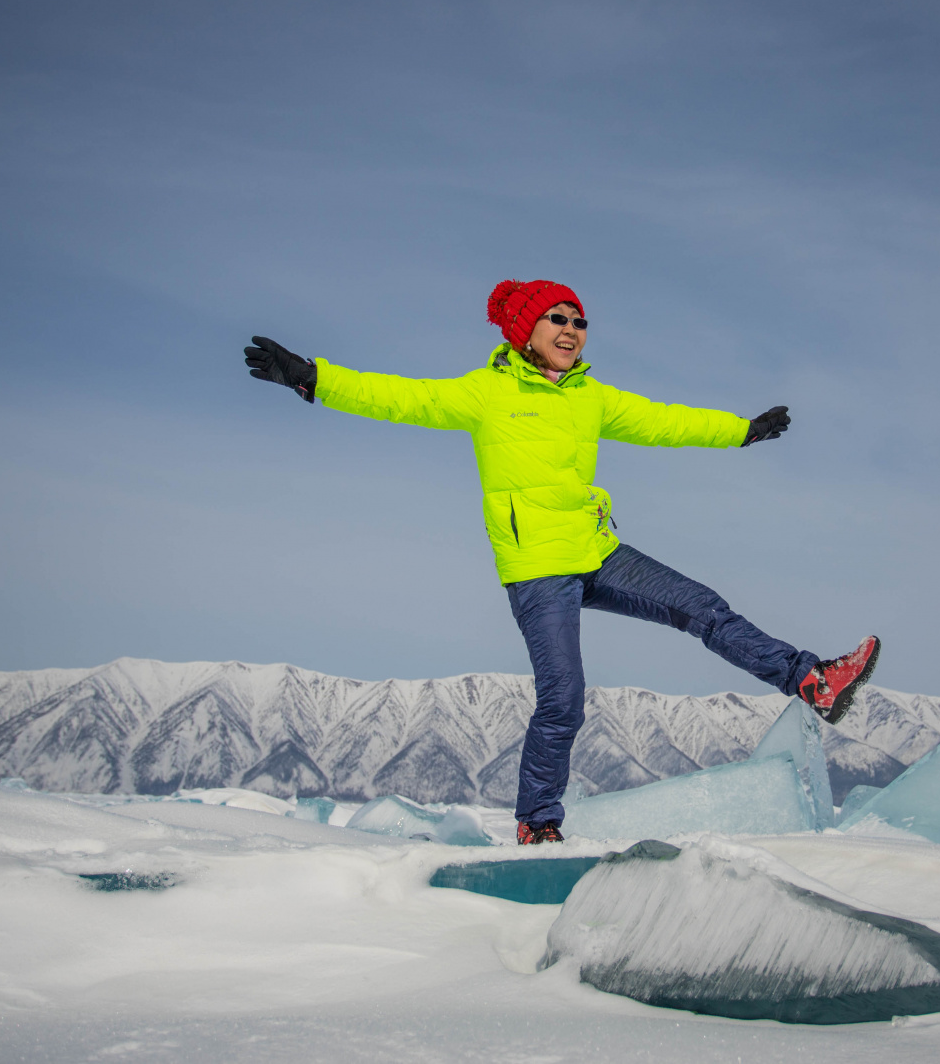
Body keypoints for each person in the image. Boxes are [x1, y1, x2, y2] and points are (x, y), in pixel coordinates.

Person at [244, 279, 880, 844]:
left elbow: (664, 422)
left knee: (703, 608)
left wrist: (740, 429)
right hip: (537, 567)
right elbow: (397, 397)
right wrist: (312, 377)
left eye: (579, 321)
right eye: (559, 319)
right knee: (564, 697)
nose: (573, 330)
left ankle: (810, 680)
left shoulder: (590, 397)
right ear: (527, 330)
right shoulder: (484, 393)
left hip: (597, 550)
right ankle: (537, 822)